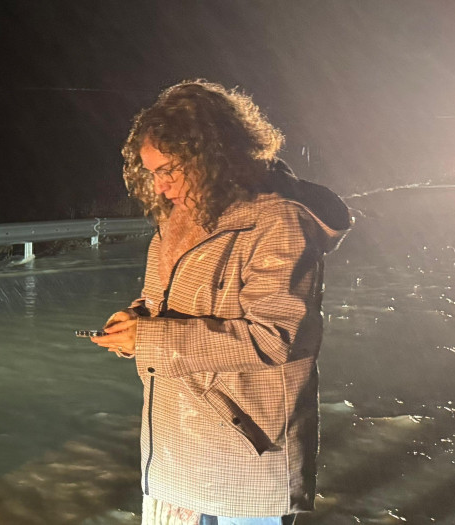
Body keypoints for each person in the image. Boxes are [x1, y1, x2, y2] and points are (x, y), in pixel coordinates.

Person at [90, 79, 351, 524]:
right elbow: (171, 300)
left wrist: (150, 339)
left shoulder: (277, 221)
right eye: (151, 172)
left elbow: (276, 336)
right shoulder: (178, 218)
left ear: (213, 155)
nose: (160, 185)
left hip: (245, 448)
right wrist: (136, 319)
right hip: (178, 443)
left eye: (168, 169)